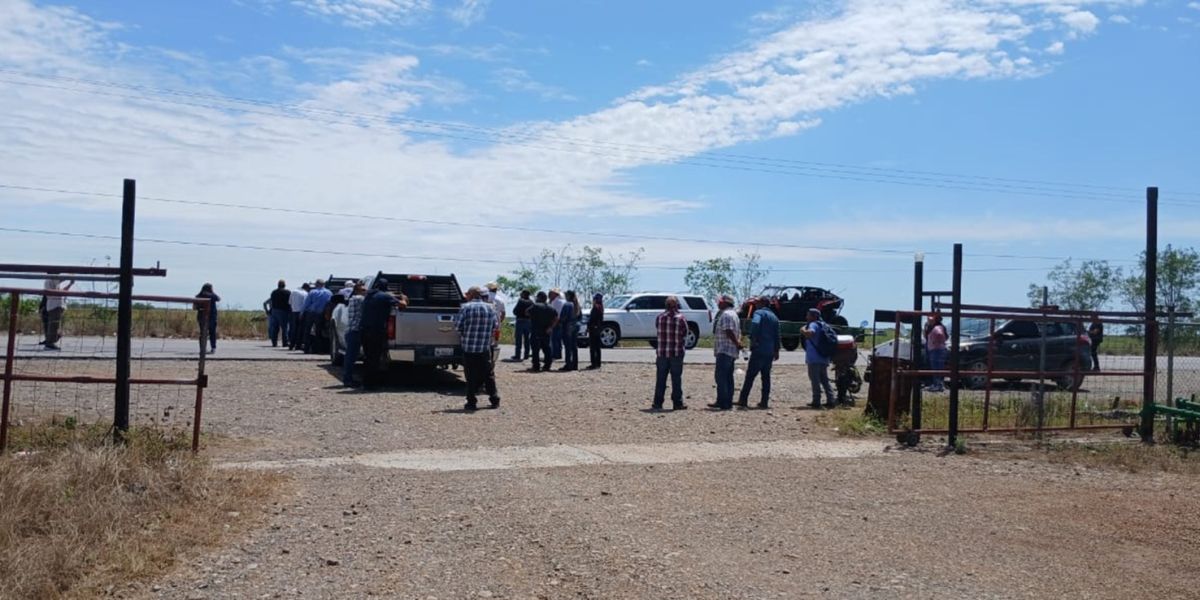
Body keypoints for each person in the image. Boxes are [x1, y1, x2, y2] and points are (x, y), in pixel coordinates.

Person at [457, 286, 501, 411]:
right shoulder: (490, 308)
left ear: (472, 295)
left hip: (469, 347)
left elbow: (458, 326)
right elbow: (495, 326)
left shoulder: (465, 308)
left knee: (470, 375)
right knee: (488, 374)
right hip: (484, 347)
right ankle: (494, 399)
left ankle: (471, 402)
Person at [359, 278, 406, 390]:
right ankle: (371, 385)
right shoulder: (385, 297)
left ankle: (366, 382)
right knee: (375, 357)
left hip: (364, 330)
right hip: (376, 331)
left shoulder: (369, 295)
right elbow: (402, 305)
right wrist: (404, 298)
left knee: (368, 356)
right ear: (386, 287)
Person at [738, 296, 781, 409]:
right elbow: (777, 335)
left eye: (757, 303)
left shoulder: (759, 313)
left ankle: (743, 400)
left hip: (759, 349)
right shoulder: (774, 317)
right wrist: (776, 350)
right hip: (770, 351)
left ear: (761, 303)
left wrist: (753, 339)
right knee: (766, 377)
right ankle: (764, 401)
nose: (756, 305)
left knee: (750, 376)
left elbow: (755, 324)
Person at [652, 295, 689, 411]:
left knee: (661, 379)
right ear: (677, 305)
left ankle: (658, 402)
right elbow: (685, 333)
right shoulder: (681, 318)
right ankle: (677, 403)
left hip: (662, 353)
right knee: (676, 378)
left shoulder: (660, 318)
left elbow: (657, 328)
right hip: (676, 353)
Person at [707, 294, 743, 410]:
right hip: (730, 351)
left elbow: (729, 331)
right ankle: (725, 400)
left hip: (725, 350)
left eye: (720, 302)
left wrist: (737, 343)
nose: (718, 303)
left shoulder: (726, 315)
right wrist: (738, 343)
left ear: (726, 303)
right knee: (728, 377)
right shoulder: (734, 315)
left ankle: (724, 402)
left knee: (721, 377)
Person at [801, 308, 836, 408]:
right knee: (825, 380)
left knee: (815, 380)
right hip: (823, 357)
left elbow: (809, 333)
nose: (806, 317)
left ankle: (816, 401)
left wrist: (802, 330)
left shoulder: (813, 324)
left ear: (813, 316)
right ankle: (831, 400)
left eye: (808, 315)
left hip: (814, 358)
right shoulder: (824, 325)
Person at [341, 281, 366, 387]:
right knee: (351, 357)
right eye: (363, 290)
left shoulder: (353, 299)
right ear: (357, 290)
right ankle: (347, 380)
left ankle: (348, 378)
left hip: (351, 331)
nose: (366, 291)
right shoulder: (358, 299)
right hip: (354, 331)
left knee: (351, 356)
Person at [527, 291, 558, 372]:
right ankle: (547, 365)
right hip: (546, 331)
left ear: (539, 298)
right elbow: (556, 318)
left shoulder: (535, 306)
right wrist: (551, 327)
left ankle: (536, 366)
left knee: (535, 350)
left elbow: (526, 312)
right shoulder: (551, 307)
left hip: (536, 330)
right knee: (547, 349)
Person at [41, 277, 74, 350]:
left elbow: (62, 291)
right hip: (54, 305)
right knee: (53, 325)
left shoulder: (56, 284)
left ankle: (51, 341)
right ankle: (49, 343)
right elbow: (60, 281)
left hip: (58, 305)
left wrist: (70, 284)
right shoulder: (50, 280)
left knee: (55, 325)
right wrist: (69, 276)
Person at [300, 279, 333, 354]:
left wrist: (301, 313)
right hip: (321, 314)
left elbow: (306, 304)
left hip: (311, 313)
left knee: (307, 330)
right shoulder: (329, 292)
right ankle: (319, 349)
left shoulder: (312, 292)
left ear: (316, 284)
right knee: (319, 331)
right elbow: (330, 304)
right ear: (323, 284)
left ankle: (307, 349)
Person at [924, 313, 948, 392]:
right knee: (937, 367)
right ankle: (937, 384)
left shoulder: (936, 327)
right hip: (937, 349)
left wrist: (935, 342)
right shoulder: (940, 327)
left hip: (936, 349)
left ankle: (938, 385)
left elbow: (939, 334)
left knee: (936, 368)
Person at [194, 283, 220, 354]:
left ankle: (207, 348)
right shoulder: (203, 296)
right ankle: (208, 348)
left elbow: (218, 298)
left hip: (208, 317)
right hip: (207, 317)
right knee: (208, 333)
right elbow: (218, 298)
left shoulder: (207, 296)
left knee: (207, 333)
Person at [558, 290, 580, 371]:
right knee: (574, 346)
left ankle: (568, 364)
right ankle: (575, 364)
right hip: (575, 327)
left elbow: (563, 317)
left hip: (567, 327)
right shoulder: (576, 305)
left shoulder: (567, 305)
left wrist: (560, 323)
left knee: (568, 347)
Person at [266, 280, 292, 348]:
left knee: (275, 328)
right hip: (283, 311)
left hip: (274, 311)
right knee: (284, 328)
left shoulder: (273, 292)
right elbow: (290, 302)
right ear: (284, 285)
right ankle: (285, 342)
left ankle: (274, 343)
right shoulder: (287, 292)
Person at [511, 290, 533, 361]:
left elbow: (515, 311)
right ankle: (526, 355)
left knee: (518, 339)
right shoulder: (531, 302)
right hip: (528, 321)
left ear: (524, 294)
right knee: (527, 339)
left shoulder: (520, 301)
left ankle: (518, 355)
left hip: (520, 320)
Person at [288, 282, 310, 350]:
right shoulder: (305, 293)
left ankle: (291, 345)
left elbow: (289, 302)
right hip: (301, 313)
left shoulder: (293, 292)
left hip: (293, 312)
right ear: (306, 288)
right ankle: (298, 345)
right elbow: (305, 305)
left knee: (293, 329)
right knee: (301, 330)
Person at [586, 293, 605, 369]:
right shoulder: (601, 308)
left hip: (593, 329)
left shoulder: (596, 308)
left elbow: (593, 319)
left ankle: (594, 363)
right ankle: (598, 363)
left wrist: (589, 326)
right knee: (597, 347)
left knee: (593, 347)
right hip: (597, 329)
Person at [549, 289, 565, 360]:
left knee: (554, 339)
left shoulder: (556, 302)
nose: (549, 295)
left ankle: (555, 354)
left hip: (557, 322)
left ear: (555, 294)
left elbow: (556, 315)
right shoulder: (563, 301)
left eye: (551, 293)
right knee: (558, 340)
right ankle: (558, 353)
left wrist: (552, 325)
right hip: (562, 323)